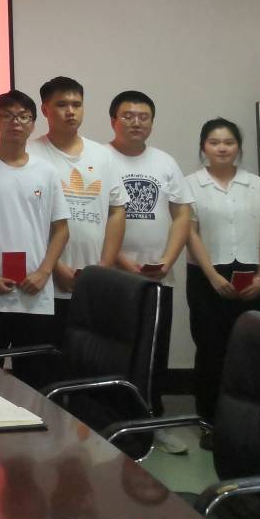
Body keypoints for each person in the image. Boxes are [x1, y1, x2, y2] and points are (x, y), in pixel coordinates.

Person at [0, 89, 69, 365]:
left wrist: (44, 272)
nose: (15, 122)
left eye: (23, 116)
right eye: (6, 116)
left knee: (32, 376)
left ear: (33, 124)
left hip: (35, 294)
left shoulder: (47, 172)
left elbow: (61, 229)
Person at [108, 89, 193, 454]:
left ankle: (154, 423)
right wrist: (123, 262)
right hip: (113, 278)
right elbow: (94, 218)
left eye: (143, 117)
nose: (136, 122)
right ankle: (111, 423)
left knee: (155, 354)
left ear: (152, 123)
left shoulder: (165, 162)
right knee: (114, 352)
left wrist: (168, 260)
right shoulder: (100, 159)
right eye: (127, 116)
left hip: (159, 277)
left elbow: (182, 213)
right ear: (113, 121)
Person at [184, 117, 260, 446]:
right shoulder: (190, 184)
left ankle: (244, 422)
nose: (222, 148)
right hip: (205, 275)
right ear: (203, 147)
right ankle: (209, 422)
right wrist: (212, 275)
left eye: (229, 142)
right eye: (214, 142)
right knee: (211, 351)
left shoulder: (257, 185)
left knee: (248, 351)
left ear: (238, 147)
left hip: (250, 275)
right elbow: (189, 233)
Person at [26, 77, 128, 343]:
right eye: (62, 105)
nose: (70, 111)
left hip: (94, 283)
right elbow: (25, 219)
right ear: (45, 109)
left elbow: (117, 210)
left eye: (77, 104)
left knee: (88, 359)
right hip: (46, 283)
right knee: (46, 357)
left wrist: (104, 267)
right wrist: (55, 267)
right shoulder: (30, 153)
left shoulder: (103, 155)